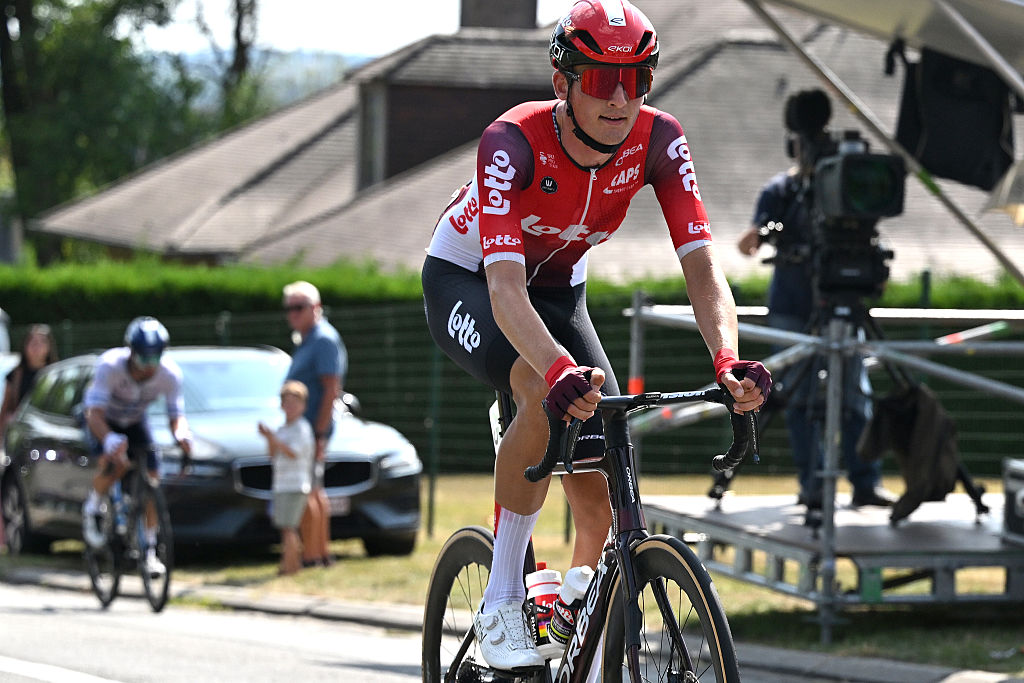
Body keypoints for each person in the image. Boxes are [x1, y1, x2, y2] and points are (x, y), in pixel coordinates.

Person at [421, 0, 771, 671]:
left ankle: (571, 607)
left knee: (604, 461)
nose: (620, 98)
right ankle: (501, 600)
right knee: (538, 387)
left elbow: (702, 269)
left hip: (559, 290)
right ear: (563, 82)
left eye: (637, 80)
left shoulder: (661, 140)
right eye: (603, 79)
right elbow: (505, 291)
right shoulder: (511, 141)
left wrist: (727, 358)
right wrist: (555, 371)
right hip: (470, 279)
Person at [736, 88, 893, 512]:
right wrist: (766, 231)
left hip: (842, 305)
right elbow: (746, 244)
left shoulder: (842, 189)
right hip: (792, 309)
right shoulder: (781, 191)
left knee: (855, 397)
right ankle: (814, 488)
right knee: (799, 398)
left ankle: (865, 483)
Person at [80, 316, 193, 578]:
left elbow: (176, 415)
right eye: (143, 359)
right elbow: (94, 414)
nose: (149, 367)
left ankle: (150, 551)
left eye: (155, 359)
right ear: (131, 352)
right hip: (103, 418)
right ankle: (93, 506)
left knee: (153, 478)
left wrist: (182, 435)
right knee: (117, 463)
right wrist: (108, 439)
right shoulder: (110, 366)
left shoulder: (170, 374)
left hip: (134, 420)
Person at [282, 280, 347, 568]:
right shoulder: (309, 338)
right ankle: (319, 553)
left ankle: (312, 554)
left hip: (310, 432)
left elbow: (331, 389)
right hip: (307, 431)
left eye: (299, 307)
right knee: (315, 490)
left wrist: (319, 434)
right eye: (289, 308)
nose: (293, 314)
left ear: (316, 307)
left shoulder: (322, 340)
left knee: (307, 490)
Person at [258, 380, 316, 576]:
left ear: (303, 406)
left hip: (295, 484)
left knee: (288, 528)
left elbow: (293, 453)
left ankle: (290, 567)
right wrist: (269, 439)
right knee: (286, 528)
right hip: (281, 484)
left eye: (295, 403)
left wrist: (273, 438)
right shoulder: (283, 429)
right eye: (287, 403)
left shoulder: (302, 428)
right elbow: (272, 455)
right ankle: (289, 564)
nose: (290, 407)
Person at [0, 324, 59, 440]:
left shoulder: (56, 374)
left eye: (42, 342)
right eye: (32, 342)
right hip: (20, 435)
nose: (36, 347)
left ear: (49, 347)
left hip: (49, 433)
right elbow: (6, 407)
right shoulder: (15, 375)